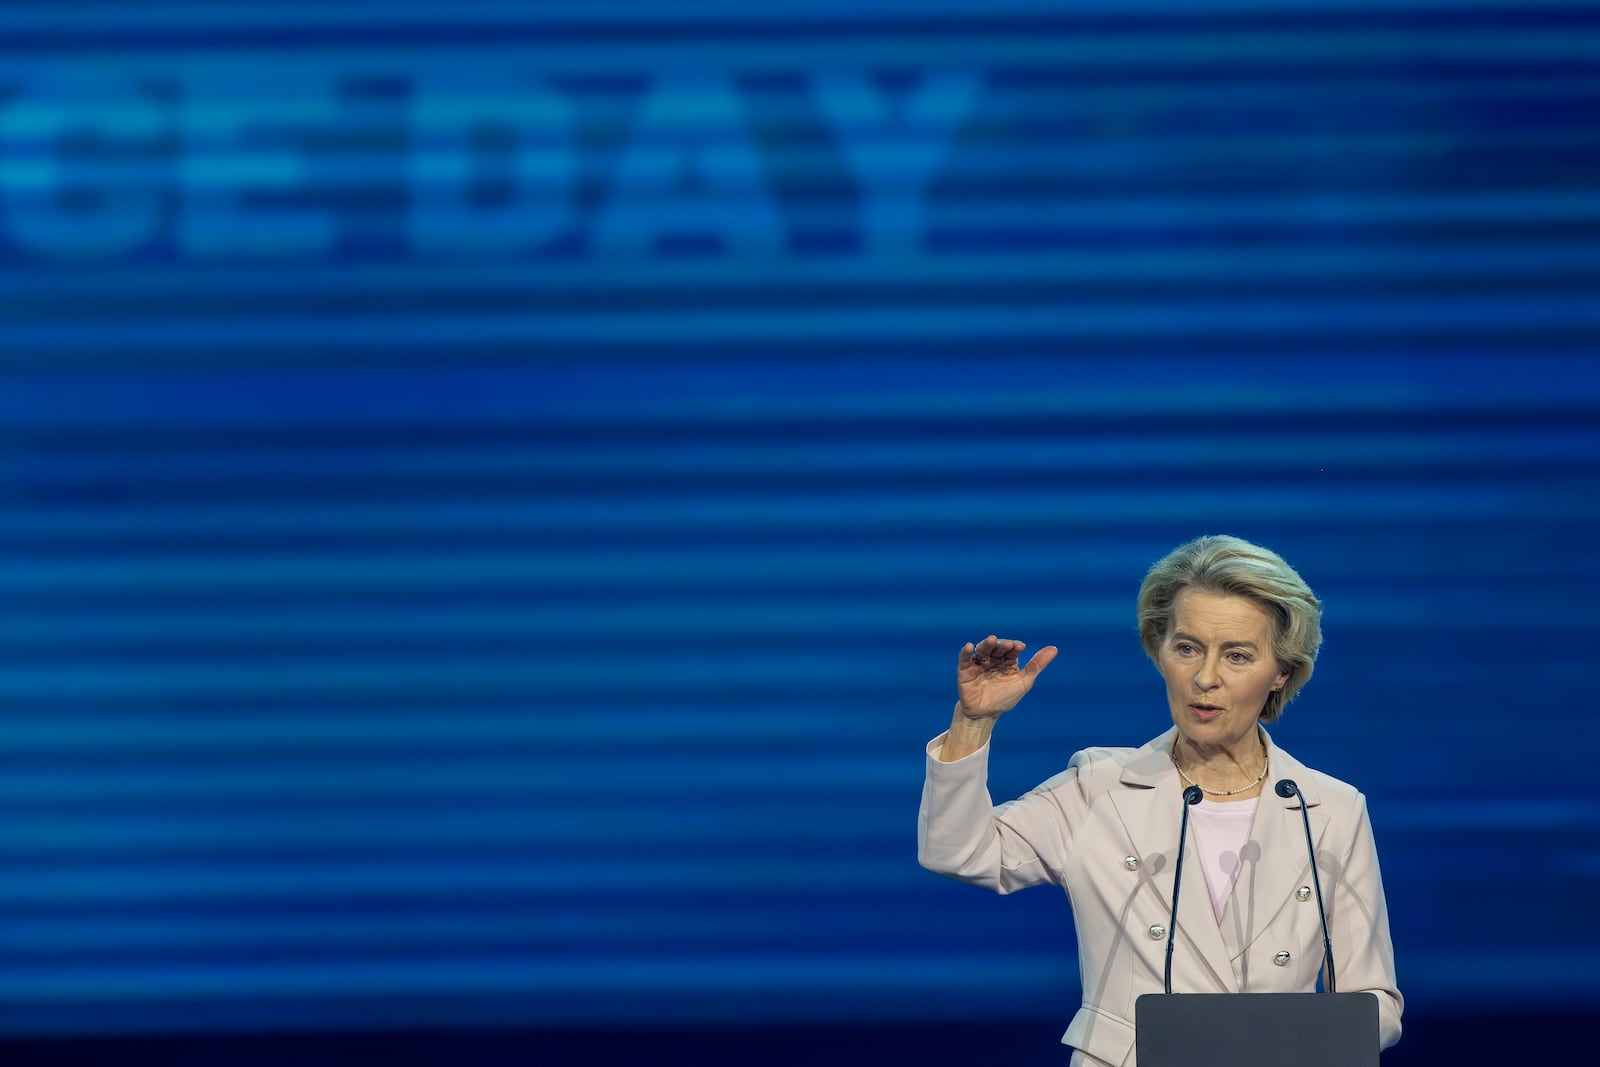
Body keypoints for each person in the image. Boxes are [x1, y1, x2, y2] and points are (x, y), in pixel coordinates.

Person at [918, 534, 1402, 1066]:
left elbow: (1374, 1001)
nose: (1205, 677)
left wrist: (1272, 1040)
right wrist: (974, 723)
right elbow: (957, 851)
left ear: (1281, 672)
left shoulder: (1331, 810)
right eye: (1187, 648)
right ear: (1160, 651)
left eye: (1237, 656)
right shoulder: (1098, 788)